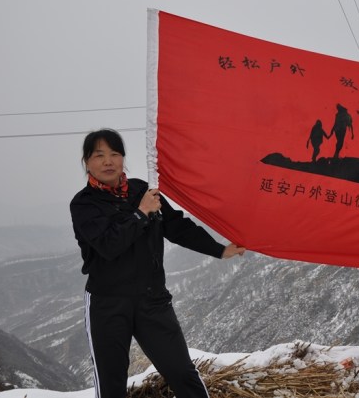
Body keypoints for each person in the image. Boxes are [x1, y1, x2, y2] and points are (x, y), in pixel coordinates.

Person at [70, 128, 246, 398]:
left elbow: (177, 227)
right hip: (108, 303)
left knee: (181, 372)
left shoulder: (142, 190)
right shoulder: (84, 205)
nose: (108, 161)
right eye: (99, 155)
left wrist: (220, 249)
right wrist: (141, 214)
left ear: (123, 159)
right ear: (87, 162)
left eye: (115, 154)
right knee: (111, 382)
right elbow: (108, 245)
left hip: (152, 300)